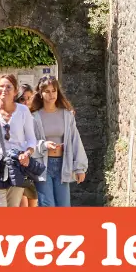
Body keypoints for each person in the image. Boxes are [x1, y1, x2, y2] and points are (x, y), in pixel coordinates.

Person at [0, 72, 39, 207]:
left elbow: (31, 139)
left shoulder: (23, 111)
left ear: (15, 91)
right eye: (1, 86)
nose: (4, 89)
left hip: (16, 168)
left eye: (8, 87)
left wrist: (27, 154)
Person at [30, 75, 87, 207]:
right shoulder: (34, 117)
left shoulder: (67, 115)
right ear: (40, 93)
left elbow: (75, 140)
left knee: (64, 205)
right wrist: (44, 145)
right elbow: (29, 143)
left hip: (63, 164)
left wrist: (80, 168)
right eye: (47, 91)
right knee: (47, 205)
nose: (51, 95)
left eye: (54, 91)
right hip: (42, 166)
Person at [16, 83, 38, 207]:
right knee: (23, 204)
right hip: (19, 165)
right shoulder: (15, 116)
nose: (26, 102)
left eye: (29, 98)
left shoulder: (36, 116)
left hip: (33, 166)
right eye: (22, 99)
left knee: (33, 204)